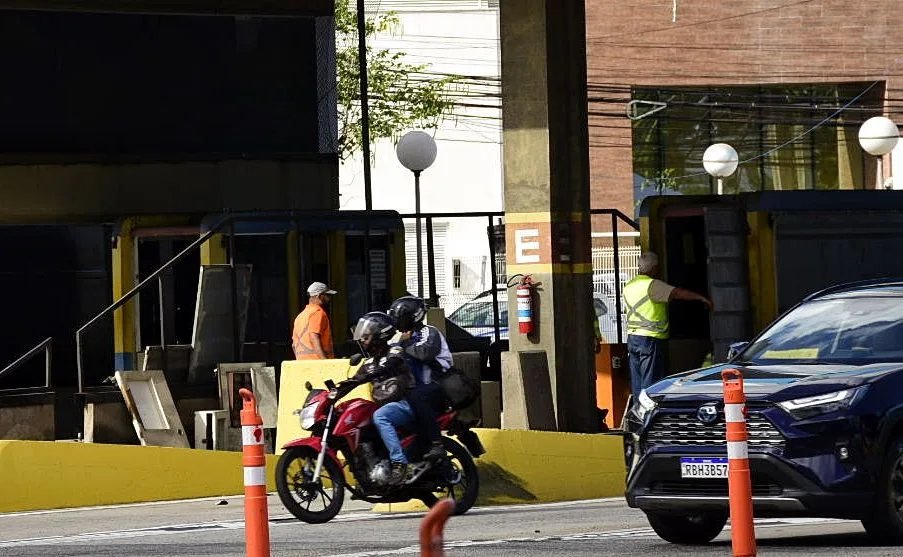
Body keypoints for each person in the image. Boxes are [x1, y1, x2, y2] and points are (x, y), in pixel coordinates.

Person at [623, 252, 712, 398]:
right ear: (654, 268)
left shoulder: (630, 285)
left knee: (637, 382)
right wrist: (701, 298)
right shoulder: (652, 285)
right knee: (651, 382)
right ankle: (648, 414)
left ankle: (638, 412)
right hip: (650, 339)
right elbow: (678, 293)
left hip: (633, 338)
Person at [350, 312, 417, 485]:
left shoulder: (394, 350)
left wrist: (373, 371)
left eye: (366, 337)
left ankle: (399, 464)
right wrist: (336, 391)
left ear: (380, 336)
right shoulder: (369, 363)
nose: (363, 341)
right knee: (360, 422)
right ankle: (367, 473)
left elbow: (393, 361)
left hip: (405, 403)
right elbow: (355, 380)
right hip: (386, 405)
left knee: (381, 416)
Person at [388, 296, 452, 463]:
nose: (397, 322)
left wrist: (404, 344)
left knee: (415, 396)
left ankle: (437, 443)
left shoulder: (429, 332)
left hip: (439, 385)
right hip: (417, 387)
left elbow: (424, 353)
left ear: (413, 317)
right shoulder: (401, 337)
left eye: (399, 317)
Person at [292, 282, 336, 360]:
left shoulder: (300, 316)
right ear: (319, 296)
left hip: (302, 364)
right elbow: (314, 336)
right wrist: (325, 361)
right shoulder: (318, 312)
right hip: (318, 363)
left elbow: (294, 345)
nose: (329, 299)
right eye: (327, 295)